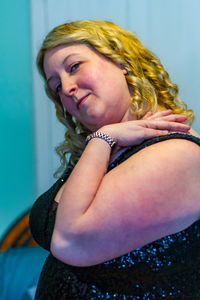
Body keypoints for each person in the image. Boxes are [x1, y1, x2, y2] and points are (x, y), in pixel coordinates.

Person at [29, 20, 200, 299]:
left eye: (74, 67)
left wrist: (101, 138)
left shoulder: (177, 153)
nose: (67, 89)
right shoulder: (110, 147)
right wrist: (105, 140)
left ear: (121, 60)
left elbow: (69, 240)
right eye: (56, 86)